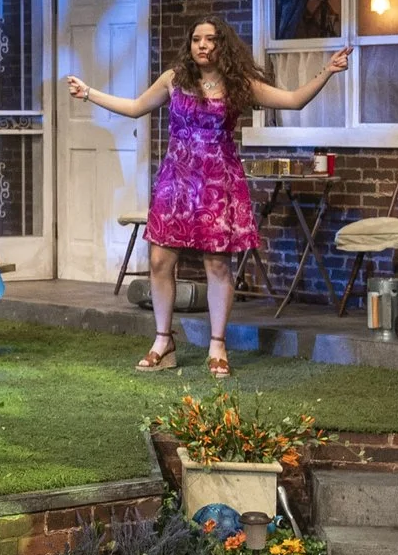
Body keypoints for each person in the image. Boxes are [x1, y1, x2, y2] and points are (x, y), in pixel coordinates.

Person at [67, 20, 349, 378]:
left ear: (222, 45)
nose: (202, 45)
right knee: (159, 260)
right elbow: (136, 107)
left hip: (218, 183)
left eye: (210, 40)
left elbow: (293, 101)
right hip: (176, 183)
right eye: (196, 39)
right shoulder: (174, 79)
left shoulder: (238, 84)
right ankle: (163, 342)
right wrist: (89, 93)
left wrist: (328, 70)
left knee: (217, 265)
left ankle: (217, 345)